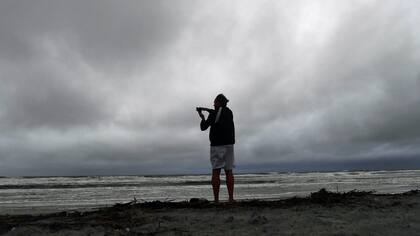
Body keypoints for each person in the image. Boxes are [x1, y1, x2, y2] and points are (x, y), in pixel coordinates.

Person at [197, 94, 235, 203]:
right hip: (229, 145)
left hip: (217, 145)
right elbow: (221, 115)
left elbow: (203, 127)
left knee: (216, 171)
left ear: (218, 102)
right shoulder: (229, 112)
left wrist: (202, 117)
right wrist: (209, 111)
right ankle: (231, 198)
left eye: (215, 102)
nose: (213, 104)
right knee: (229, 171)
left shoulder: (214, 113)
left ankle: (216, 200)